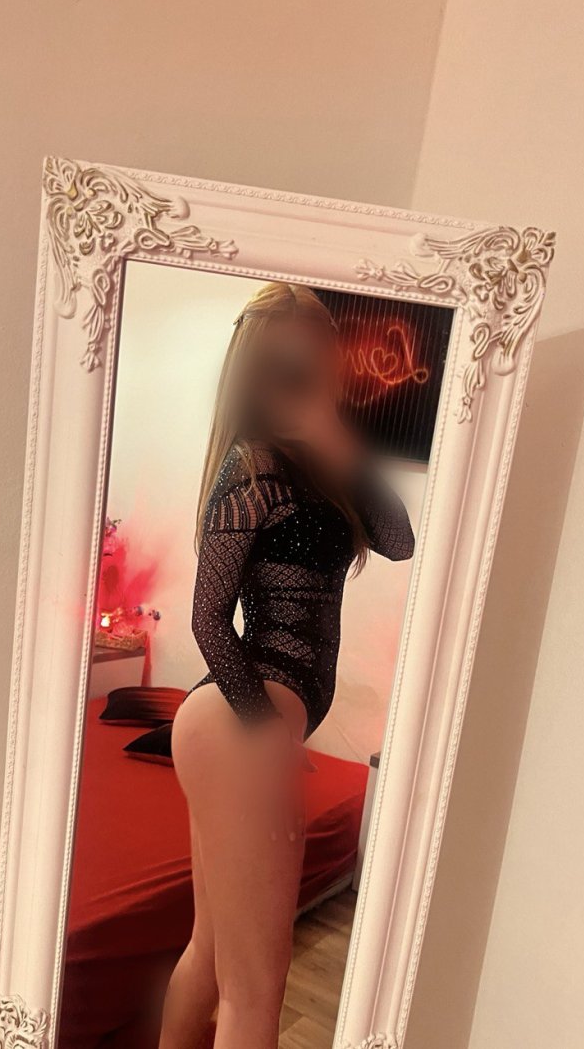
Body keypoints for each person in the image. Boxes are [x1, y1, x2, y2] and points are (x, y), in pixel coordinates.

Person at [160, 282, 415, 1049]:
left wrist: (339, 441)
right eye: (298, 359)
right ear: (261, 366)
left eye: (324, 356)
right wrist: (266, 731)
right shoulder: (251, 467)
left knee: (214, 957)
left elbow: (398, 540)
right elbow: (208, 619)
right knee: (255, 995)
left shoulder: (318, 463)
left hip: (235, 723)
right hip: (240, 720)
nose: (317, 372)